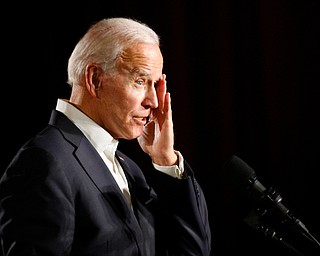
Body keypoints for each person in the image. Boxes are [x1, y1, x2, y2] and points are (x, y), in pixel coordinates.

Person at [0, 17, 211, 256]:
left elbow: (194, 251)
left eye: (155, 85)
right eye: (140, 81)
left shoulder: (129, 169)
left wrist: (166, 160)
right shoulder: (45, 161)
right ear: (95, 80)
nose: (153, 101)